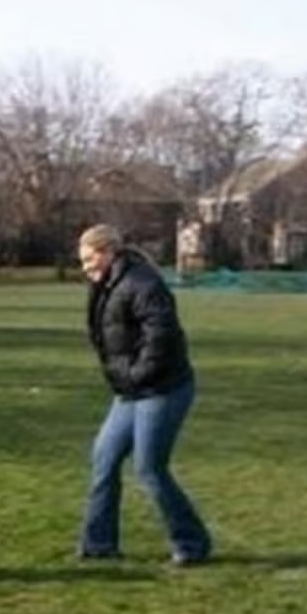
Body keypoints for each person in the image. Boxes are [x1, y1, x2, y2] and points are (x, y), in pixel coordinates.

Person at [76, 224, 212, 566]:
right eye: (83, 262)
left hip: (164, 388)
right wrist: (125, 381)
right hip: (130, 391)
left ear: (109, 253)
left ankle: (192, 544)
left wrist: (136, 376)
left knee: (150, 468)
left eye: (90, 260)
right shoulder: (106, 283)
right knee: (104, 459)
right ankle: (99, 544)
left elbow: (161, 339)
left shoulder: (143, 283)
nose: (86, 268)